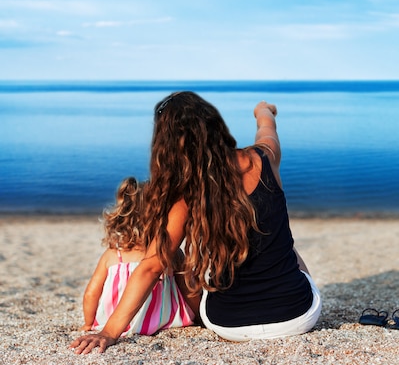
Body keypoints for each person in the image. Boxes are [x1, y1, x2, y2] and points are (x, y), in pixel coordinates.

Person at [71, 92, 321, 354]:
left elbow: (151, 266)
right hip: (297, 318)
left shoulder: (185, 195)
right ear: (214, 125)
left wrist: (109, 332)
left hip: (228, 324)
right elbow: (266, 129)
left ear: (168, 145)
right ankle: (292, 291)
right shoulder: (264, 158)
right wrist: (264, 110)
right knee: (285, 245)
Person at [79, 176, 195, 337]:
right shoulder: (170, 253)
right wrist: (199, 317)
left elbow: (91, 293)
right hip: (163, 321)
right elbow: (189, 289)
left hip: (114, 322)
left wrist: (88, 323)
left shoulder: (113, 255)